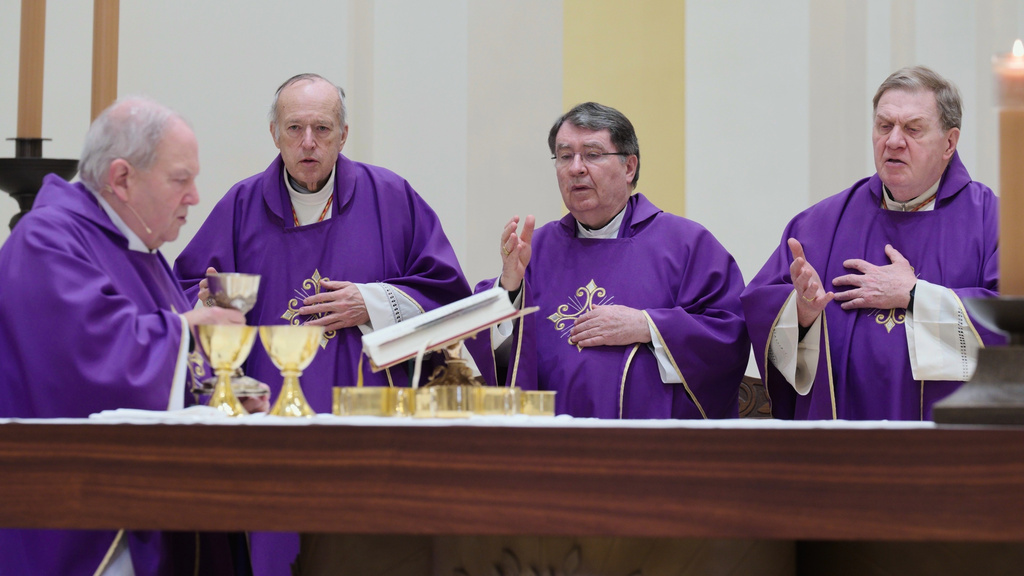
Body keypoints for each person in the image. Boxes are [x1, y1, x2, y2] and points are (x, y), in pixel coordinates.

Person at [173, 73, 471, 575]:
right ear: (274, 134)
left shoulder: (391, 198)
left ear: (344, 134)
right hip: (270, 429)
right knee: (276, 546)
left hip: (372, 427)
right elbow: (179, 293)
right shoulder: (240, 206)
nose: (308, 142)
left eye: (322, 129)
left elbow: (449, 296)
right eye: (294, 128)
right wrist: (206, 304)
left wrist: (373, 302)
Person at [0, 98, 246, 575]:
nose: (194, 196)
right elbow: (93, 361)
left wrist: (220, 396)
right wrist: (187, 328)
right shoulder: (47, 241)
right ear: (122, 179)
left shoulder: (141, 248)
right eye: (181, 179)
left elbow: (162, 363)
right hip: (83, 524)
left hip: (146, 504)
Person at [741, 66, 1004, 421]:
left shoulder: (995, 222)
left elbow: (1011, 326)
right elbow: (760, 309)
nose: (893, 141)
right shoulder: (821, 224)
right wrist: (800, 315)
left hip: (952, 453)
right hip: (840, 444)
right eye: (884, 126)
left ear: (949, 143)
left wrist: (915, 296)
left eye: (913, 129)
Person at [468, 102, 749, 419]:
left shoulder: (686, 245)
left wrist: (647, 326)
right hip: (552, 449)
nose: (576, 168)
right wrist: (510, 286)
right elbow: (495, 353)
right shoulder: (536, 249)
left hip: (652, 450)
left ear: (629, 167)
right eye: (564, 156)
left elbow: (729, 333)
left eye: (592, 154)